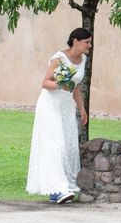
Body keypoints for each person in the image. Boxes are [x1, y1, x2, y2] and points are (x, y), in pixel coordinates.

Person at [26, 28, 92, 204]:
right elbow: (45, 82)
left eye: (90, 42)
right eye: (87, 42)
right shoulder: (59, 58)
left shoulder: (83, 59)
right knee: (57, 145)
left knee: (69, 145)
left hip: (65, 107)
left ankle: (64, 187)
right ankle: (58, 188)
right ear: (76, 41)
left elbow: (76, 85)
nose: (89, 46)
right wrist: (60, 85)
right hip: (50, 106)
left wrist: (82, 108)